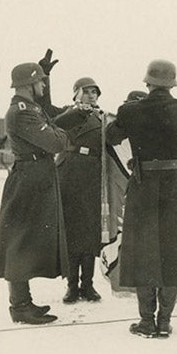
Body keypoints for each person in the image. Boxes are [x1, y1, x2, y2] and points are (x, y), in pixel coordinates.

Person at [105, 59, 177, 338]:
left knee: (143, 252)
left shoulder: (130, 110)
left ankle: (146, 322)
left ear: (147, 82)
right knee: (173, 251)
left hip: (143, 186)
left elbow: (109, 137)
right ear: (173, 83)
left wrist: (126, 114)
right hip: (176, 188)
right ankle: (165, 321)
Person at [0, 61, 71, 325]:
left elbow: (48, 120)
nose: (44, 86)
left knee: (24, 241)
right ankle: (20, 306)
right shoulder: (22, 112)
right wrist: (61, 135)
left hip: (36, 176)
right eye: (41, 82)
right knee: (19, 242)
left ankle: (24, 302)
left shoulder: (29, 108)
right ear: (29, 84)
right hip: (29, 178)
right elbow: (56, 142)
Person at [53, 76, 108, 304]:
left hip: (91, 176)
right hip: (68, 173)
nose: (92, 95)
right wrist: (77, 112)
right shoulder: (67, 113)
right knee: (71, 231)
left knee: (89, 232)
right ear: (75, 93)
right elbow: (55, 123)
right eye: (86, 91)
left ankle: (88, 284)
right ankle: (72, 286)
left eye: (95, 92)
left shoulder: (103, 118)